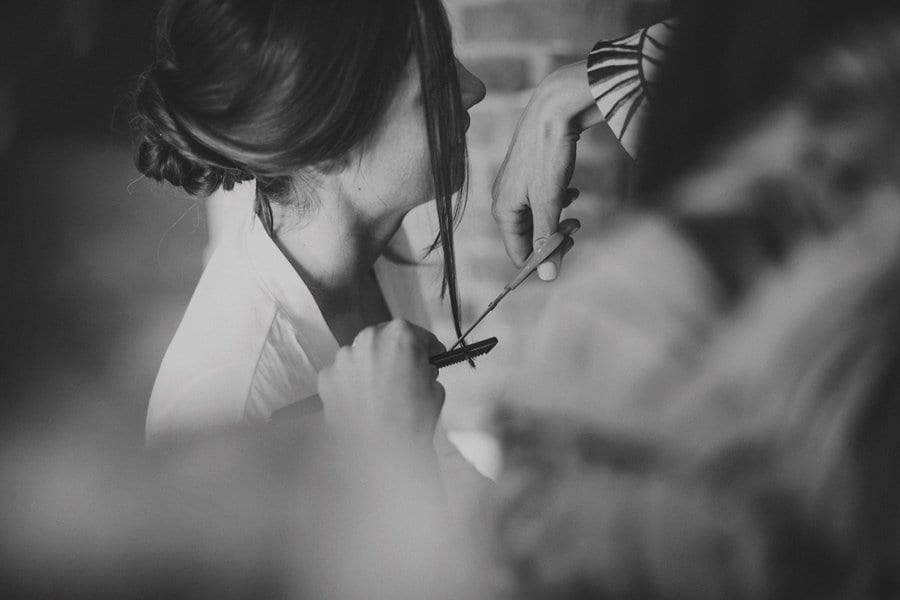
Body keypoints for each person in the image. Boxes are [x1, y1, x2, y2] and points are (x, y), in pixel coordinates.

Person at [131, 0, 486, 447]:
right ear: (329, 146)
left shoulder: (375, 243)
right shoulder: (229, 406)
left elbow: (442, 460)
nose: (475, 89)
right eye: (435, 85)